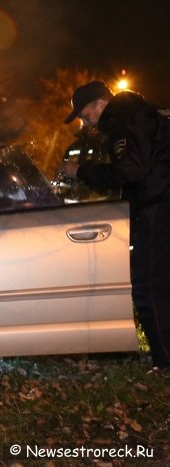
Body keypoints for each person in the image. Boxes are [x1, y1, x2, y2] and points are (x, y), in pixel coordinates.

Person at [59, 80, 170, 369]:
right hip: (160, 202)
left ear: (100, 104)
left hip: (157, 206)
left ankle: (165, 360)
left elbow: (130, 172)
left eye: (85, 115)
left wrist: (80, 171)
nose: (86, 124)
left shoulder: (126, 122)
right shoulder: (140, 113)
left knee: (149, 287)